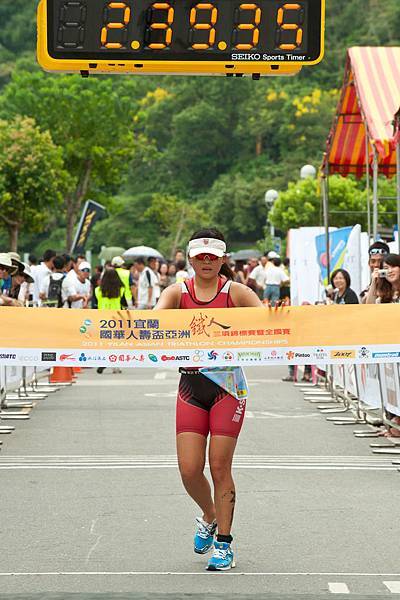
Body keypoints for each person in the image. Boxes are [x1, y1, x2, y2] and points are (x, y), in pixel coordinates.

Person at [156, 228, 263, 571]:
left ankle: (225, 544)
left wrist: (278, 315)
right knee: (189, 469)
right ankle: (210, 513)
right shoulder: (177, 292)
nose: (206, 262)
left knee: (219, 466)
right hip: (190, 385)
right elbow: (152, 322)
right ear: (190, 259)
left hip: (227, 386)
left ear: (222, 259)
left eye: (212, 257)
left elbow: (269, 323)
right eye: (200, 257)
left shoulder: (237, 292)